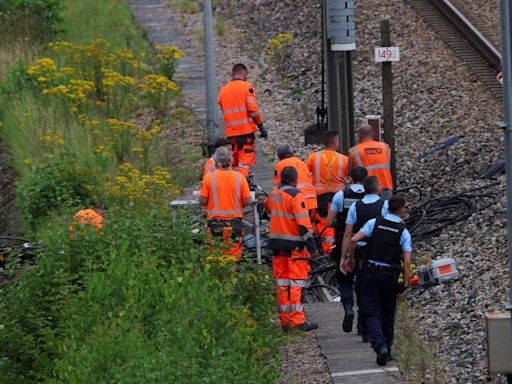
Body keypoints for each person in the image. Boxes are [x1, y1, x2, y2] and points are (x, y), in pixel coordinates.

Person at [349, 195, 412, 366]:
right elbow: (406, 261)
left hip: (369, 273)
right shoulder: (403, 231)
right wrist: (404, 284)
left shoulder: (374, 223)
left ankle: (380, 347)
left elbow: (354, 239)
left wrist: (350, 259)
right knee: (387, 313)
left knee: (371, 312)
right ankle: (388, 350)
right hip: (389, 277)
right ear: (401, 210)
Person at [266, 166, 319, 331]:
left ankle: (284, 321)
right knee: (296, 283)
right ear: (294, 180)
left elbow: (267, 210)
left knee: (282, 284)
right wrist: (313, 248)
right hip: (294, 247)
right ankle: (297, 321)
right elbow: (303, 224)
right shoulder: (296, 196)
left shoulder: (273, 195)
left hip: (276, 246)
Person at [339, 176, 389, 340]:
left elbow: (348, 233)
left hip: (360, 250)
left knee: (361, 285)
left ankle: (361, 323)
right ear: (377, 189)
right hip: (378, 252)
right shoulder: (384, 205)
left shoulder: (355, 206)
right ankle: (369, 324)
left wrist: (345, 256)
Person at [325, 166, 367, 332]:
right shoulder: (371, 197)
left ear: (349, 178)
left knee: (345, 279)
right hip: (365, 244)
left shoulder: (340, 195)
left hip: (345, 241)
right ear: (366, 179)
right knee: (364, 282)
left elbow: (328, 222)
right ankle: (363, 321)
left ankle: (348, 307)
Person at [199, 147, 252, 261]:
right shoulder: (239, 177)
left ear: (217, 161)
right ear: (231, 161)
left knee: (215, 255)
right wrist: (237, 205)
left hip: (215, 224)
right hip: (235, 223)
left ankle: (218, 277)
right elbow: (248, 200)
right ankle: (231, 276)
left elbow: (202, 201)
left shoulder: (209, 177)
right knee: (233, 256)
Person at [218, 64, 268, 178]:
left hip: (231, 134)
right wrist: (260, 126)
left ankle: (231, 185)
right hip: (246, 133)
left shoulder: (223, 91)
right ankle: (242, 186)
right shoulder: (247, 87)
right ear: (243, 73)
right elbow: (253, 109)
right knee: (245, 163)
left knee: (233, 162)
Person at [306, 131, 348, 254]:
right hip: (339, 197)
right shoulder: (344, 159)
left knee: (323, 222)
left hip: (320, 198)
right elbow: (351, 177)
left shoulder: (313, 157)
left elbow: (304, 173)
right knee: (339, 222)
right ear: (335, 143)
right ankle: (333, 249)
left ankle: (325, 249)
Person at [349, 124, 393, 200]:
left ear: (359, 135)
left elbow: (350, 173)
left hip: (367, 190)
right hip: (385, 187)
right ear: (373, 133)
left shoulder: (354, 151)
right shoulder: (385, 147)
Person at [273, 143, 317, 217]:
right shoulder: (301, 163)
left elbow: (276, 189)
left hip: (297, 203)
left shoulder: (280, 165)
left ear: (279, 156)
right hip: (311, 202)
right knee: (307, 226)